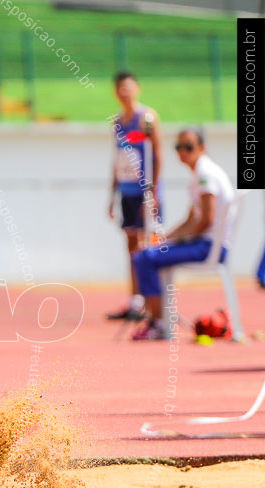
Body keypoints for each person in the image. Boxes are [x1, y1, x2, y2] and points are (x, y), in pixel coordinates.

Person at [131, 129, 234, 341]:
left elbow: (205, 220)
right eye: (179, 147)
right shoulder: (200, 174)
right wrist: (165, 239)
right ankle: (159, 319)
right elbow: (190, 220)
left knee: (145, 258)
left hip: (209, 247)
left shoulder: (205, 175)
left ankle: (158, 323)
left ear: (202, 148)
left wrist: (171, 241)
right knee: (148, 252)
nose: (183, 152)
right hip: (205, 243)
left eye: (188, 147)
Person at [107, 71, 162, 322]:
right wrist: (111, 195)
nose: (124, 92)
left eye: (128, 87)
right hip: (126, 191)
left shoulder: (147, 118)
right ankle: (135, 300)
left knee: (146, 245)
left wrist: (153, 192)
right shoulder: (117, 122)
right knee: (130, 245)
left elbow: (157, 154)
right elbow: (116, 159)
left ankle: (151, 304)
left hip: (143, 190)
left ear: (137, 88)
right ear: (115, 92)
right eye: (120, 88)